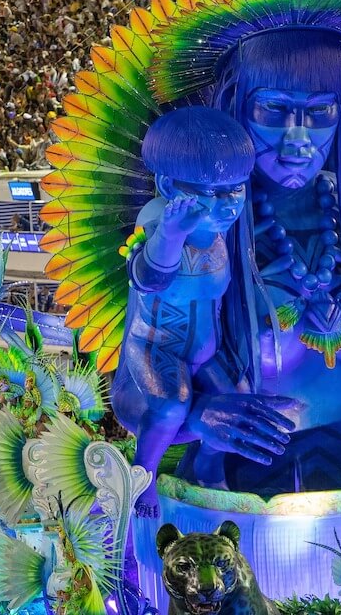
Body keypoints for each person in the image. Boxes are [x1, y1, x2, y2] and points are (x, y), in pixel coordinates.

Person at [108, 0, 341, 495]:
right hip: (231, 510)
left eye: (320, 113)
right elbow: (135, 389)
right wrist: (199, 416)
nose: (298, 142)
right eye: (274, 109)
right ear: (235, 106)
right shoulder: (197, 227)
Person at [121, 107, 259, 516]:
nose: (226, 204)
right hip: (155, 348)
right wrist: (171, 234)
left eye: (235, 190)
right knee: (170, 405)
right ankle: (140, 478)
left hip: (204, 352)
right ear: (166, 184)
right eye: (210, 192)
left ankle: (207, 467)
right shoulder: (158, 222)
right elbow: (148, 276)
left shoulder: (219, 230)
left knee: (240, 401)